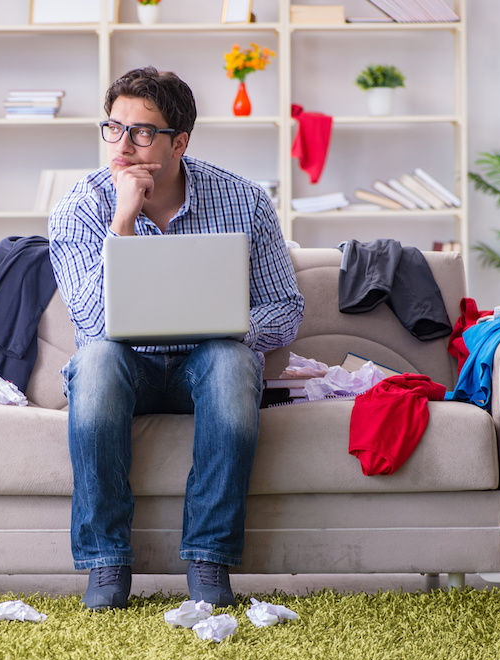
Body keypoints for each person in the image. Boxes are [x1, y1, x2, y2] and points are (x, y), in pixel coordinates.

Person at [48, 66, 304, 610]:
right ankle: (106, 563)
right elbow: (93, 324)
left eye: (141, 132)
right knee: (94, 362)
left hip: (205, 370)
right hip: (125, 371)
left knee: (232, 361)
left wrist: (226, 324)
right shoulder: (80, 206)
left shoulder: (245, 200)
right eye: (113, 128)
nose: (122, 144)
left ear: (179, 141)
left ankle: (209, 559)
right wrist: (123, 220)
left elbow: (285, 310)